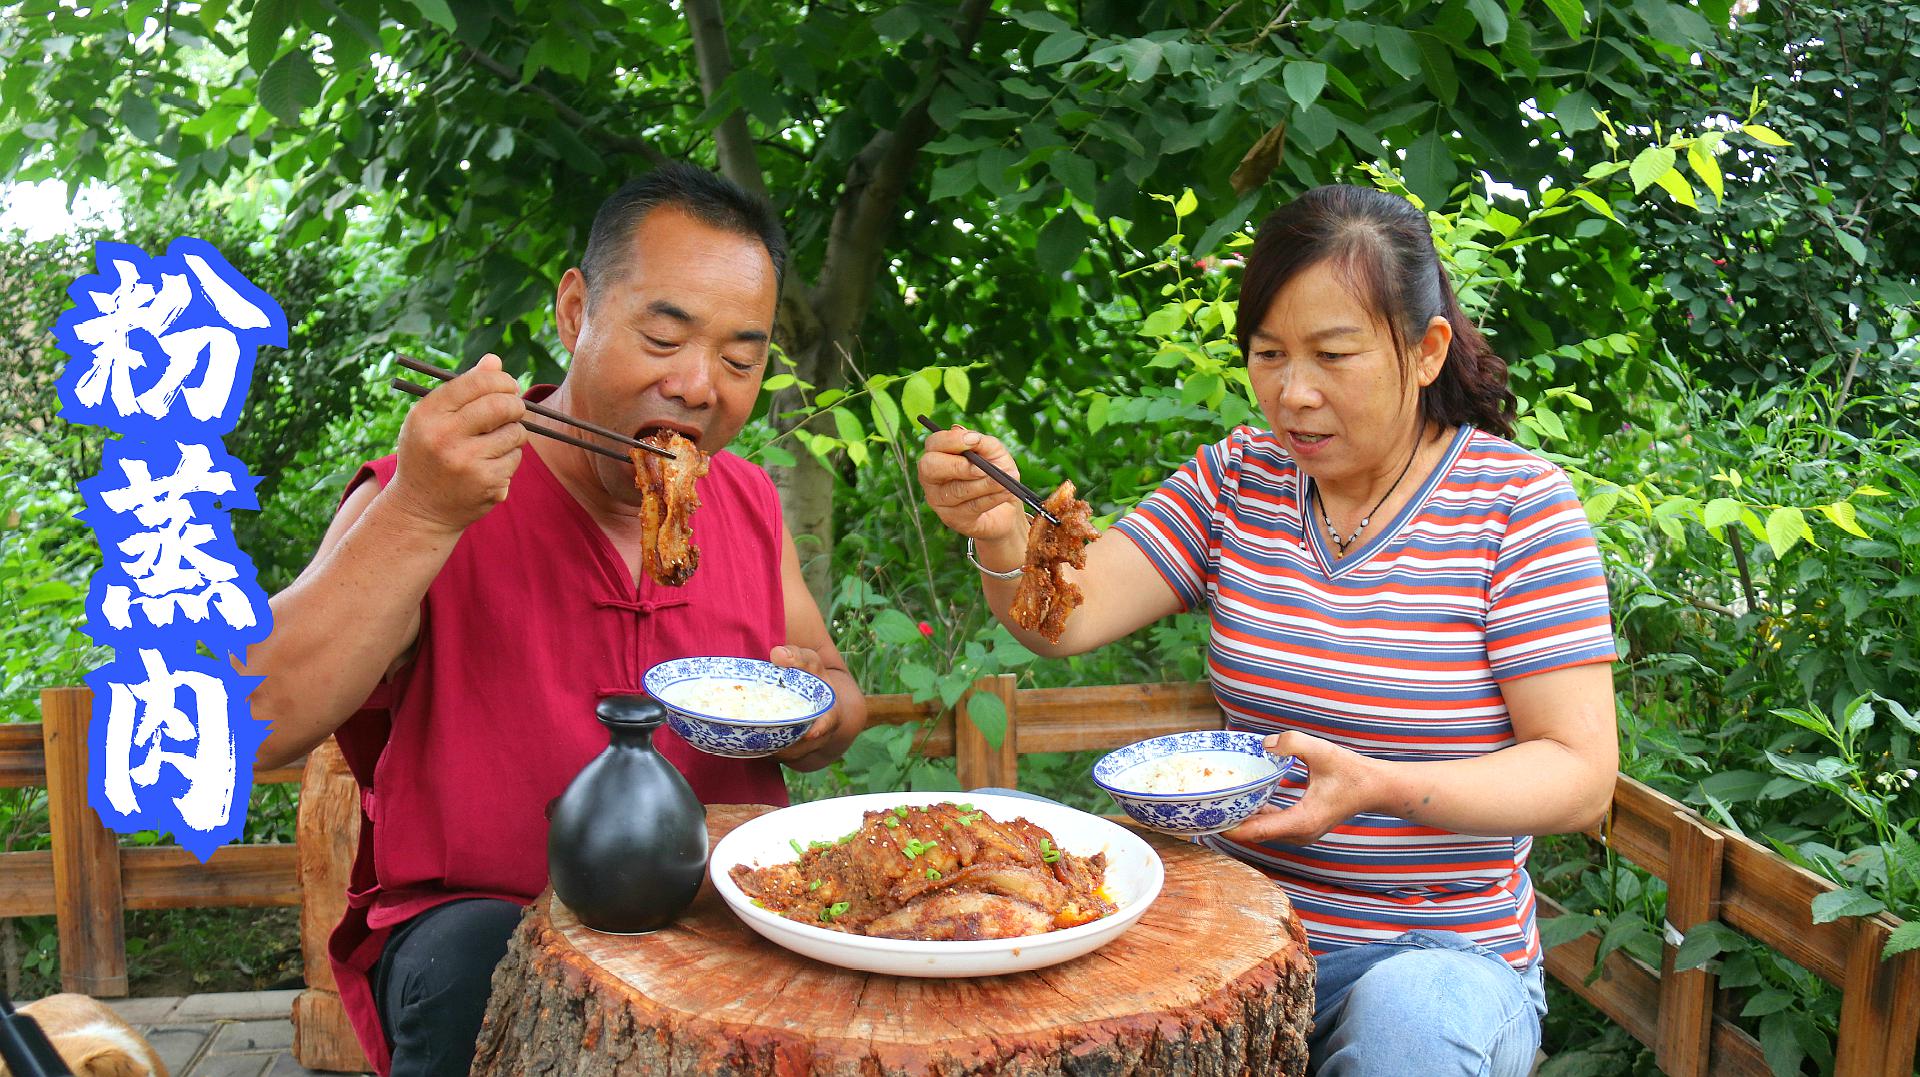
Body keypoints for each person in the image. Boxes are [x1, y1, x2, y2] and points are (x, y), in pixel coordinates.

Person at [918, 184, 1618, 1076]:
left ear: (1428, 348)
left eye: (1333, 354)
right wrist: (1007, 534)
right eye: (1268, 353)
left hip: (1440, 953)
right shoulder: (1238, 482)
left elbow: (1580, 775)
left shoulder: (1518, 509)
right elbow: (1070, 615)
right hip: (1225, 931)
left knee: (1408, 1032)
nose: (1293, 394)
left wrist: (1376, 786)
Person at [245, 164, 867, 1077]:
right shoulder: (441, 486)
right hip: (481, 924)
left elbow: (833, 688)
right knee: (489, 963)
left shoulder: (745, 501)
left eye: (740, 359)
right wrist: (420, 512)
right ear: (576, 313)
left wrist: (824, 717)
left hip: (723, 911)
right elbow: (251, 720)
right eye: (664, 335)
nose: (699, 386)